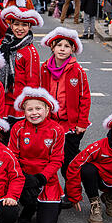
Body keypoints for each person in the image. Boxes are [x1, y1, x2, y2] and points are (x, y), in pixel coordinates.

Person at [8, 87, 66, 223]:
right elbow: (12, 155)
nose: (34, 113)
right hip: (24, 177)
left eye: (38, 108)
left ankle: (52, 203)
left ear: (47, 110)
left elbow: (57, 160)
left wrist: (41, 178)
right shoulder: (18, 128)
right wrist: (22, 176)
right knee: (25, 197)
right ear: (24, 111)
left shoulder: (57, 130)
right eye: (30, 109)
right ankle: (29, 206)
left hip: (45, 179)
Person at [39, 27, 90, 181]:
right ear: (52, 47)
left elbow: (85, 98)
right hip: (50, 122)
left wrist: (81, 123)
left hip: (72, 125)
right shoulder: (45, 68)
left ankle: (71, 192)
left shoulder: (77, 70)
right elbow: (41, 94)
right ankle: (49, 191)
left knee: (69, 160)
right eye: (59, 45)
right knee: (48, 159)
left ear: (73, 49)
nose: (62, 49)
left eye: (67, 46)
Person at [0, 7, 43, 124]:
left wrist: (29, 103)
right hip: (4, 99)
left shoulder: (30, 51)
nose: (20, 29)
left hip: (19, 102)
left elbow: (33, 81)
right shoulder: (3, 44)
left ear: (29, 27)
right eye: (16, 24)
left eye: (24, 25)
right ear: (11, 26)